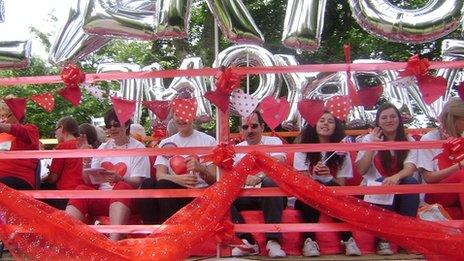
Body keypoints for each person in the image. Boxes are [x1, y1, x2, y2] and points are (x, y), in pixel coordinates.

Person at [65, 108, 150, 241]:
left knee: (122, 187)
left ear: (126, 124)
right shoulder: (103, 147)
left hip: (127, 200)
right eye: (108, 126)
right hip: (102, 196)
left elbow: (138, 181)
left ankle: (113, 241)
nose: (112, 129)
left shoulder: (138, 148)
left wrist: (120, 178)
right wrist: (86, 162)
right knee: (81, 190)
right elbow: (88, 180)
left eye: (116, 125)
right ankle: (67, 238)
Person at [355, 103, 419, 255]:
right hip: (375, 190)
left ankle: (407, 239)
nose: (389, 120)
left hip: (400, 189)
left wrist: (396, 177)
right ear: (378, 121)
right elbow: (361, 170)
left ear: (399, 119)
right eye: (384, 117)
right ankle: (383, 240)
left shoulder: (409, 141)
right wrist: (373, 145)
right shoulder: (368, 139)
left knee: (411, 183)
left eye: (392, 116)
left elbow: (410, 168)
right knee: (380, 182)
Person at [293, 112, 361, 257]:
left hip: (332, 194)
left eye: (330, 121)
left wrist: (328, 177)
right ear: (314, 125)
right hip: (307, 197)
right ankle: (309, 240)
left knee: (333, 191)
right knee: (314, 188)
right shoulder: (303, 148)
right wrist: (315, 176)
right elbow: (303, 183)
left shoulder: (341, 151)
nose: (325, 124)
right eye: (321, 120)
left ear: (336, 127)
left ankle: (348, 239)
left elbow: (341, 187)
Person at [137, 113, 217, 225]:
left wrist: (201, 169)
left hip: (198, 194)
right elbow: (160, 175)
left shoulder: (209, 141)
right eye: (178, 114)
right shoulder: (166, 143)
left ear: (193, 116)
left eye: (186, 113)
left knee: (164, 185)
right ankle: (152, 231)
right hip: (172, 192)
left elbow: (214, 180)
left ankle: (171, 233)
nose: (181, 118)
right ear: (173, 118)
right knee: (148, 184)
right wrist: (179, 179)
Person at [230, 111, 287, 258]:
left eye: (254, 126)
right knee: (223, 194)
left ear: (262, 127)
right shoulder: (236, 149)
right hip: (247, 196)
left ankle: (273, 241)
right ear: (240, 130)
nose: (250, 130)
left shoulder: (274, 142)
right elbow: (232, 177)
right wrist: (244, 178)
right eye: (245, 127)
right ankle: (247, 240)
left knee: (269, 182)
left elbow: (279, 162)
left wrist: (259, 176)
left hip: (273, 195)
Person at [417, 98, 464, 214]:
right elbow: (428, 178)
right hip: (435, 192)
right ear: (454, 120)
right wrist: (459, 166)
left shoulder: (461, 137)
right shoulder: (429, 139)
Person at [42, 116, 84, 209]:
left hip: (65, 194)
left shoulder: (63, 147)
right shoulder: (83, 145)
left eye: (55, 130)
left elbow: (53, 178)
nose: (55, 134)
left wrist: (42, 179)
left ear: (61, 128)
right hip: (83, 194)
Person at [0, 97, 40, 190]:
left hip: (18, 180)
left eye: (5, 115)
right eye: (1, 116)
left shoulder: (30, 129)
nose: (2, 119)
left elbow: (20, 131)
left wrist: (2, 126)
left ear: (16, 115)